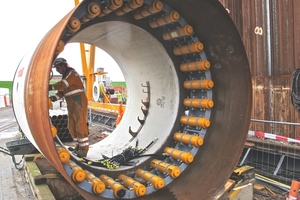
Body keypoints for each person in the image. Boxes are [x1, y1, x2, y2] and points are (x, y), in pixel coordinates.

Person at [49, 57, 89, 157]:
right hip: (71, 103)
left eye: (58, 68)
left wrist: (50, 87)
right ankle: (78, 146)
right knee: (71, 126)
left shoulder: (72, 73)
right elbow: (61, 92)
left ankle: (84, 150)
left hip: (78, 101)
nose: (57, 70)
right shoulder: (65, 76)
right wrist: (53, 98)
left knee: (80, 125)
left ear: (63, 65)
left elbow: (64, 84)